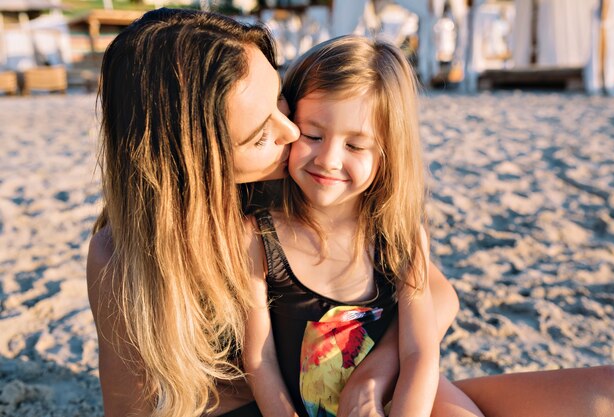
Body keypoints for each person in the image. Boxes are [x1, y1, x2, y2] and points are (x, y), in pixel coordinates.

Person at [86, 9, 459, 417]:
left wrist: (377, 369)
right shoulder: (128, 257)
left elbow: (438, 294)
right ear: (195, 161)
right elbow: (127, 407)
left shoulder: (307, 180)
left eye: (281, 98)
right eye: (262, 134)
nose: (293, 131)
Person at [243, 35, 614, 417]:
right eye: (313, 135)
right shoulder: (256, 236)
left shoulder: (398, 235)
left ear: (388, 152)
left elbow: (419, 353)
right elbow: (261, 361)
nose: (328, 159)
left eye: (356, 146)